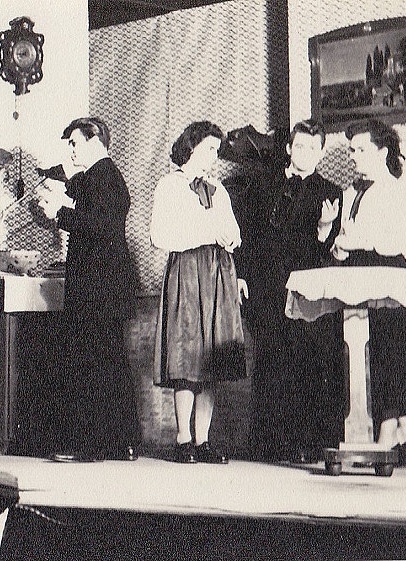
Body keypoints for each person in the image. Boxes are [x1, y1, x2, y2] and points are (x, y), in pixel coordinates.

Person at [238, 119, 345, 463]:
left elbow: (328, 252)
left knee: (304, 362)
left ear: (321, 152)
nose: (306, 153)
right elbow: (246, 235)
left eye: (313, 148)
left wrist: (324, 228)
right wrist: (241, 276)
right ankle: (269, 445)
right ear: (288, 149)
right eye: (300, 146)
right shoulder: (261, 185)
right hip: (267, 285)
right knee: (271, 359)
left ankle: (306, 443)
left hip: (305, 289)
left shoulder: (330, 192)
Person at [38, 116, 140, 462]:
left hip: (99, 286)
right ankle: (120, 443)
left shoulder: (103, 175)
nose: (70, 150)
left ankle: (91, 445)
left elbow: (101, 225)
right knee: (109, 363)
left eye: (74, 143)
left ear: (94, 140)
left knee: (91, 365)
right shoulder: (100, 175)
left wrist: (60, 214)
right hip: (104, 285)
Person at [150, 121, 246, 464]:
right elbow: (160, 236)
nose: (213, 157)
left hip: (218, 272)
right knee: (187, 354)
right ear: (190, 147)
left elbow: (232, 232)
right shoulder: (169, 186)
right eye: (208, 149)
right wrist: (207, 232)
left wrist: (230, 238)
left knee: (211, 358)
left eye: (216, 151)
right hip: (188, 271)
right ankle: (183, 439)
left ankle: (203, 440)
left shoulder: (218, 189)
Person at [330, 118, 406, 467]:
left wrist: (355, 241)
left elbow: (394, 240)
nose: (355, 156)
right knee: (372, 351)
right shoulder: (356, 192)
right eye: (352, 150)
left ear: (382, 152)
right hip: (363, 273)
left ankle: (390, 438)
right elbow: (349, 236)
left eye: (361, 149)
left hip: (390, 273)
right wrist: (340, 247)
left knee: (394, 353)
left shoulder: (395, 190)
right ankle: (388, 440)